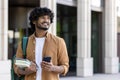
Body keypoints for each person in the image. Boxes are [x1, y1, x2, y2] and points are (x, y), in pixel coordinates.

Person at [14, 7, 69, 80]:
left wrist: (53, 68)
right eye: (43, 18)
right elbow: (17, 67)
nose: (46, 20)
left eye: (48, 18)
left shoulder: (59, 42)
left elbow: (65, 67)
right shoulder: (24, 43)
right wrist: (27, 71)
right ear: (34, 21)